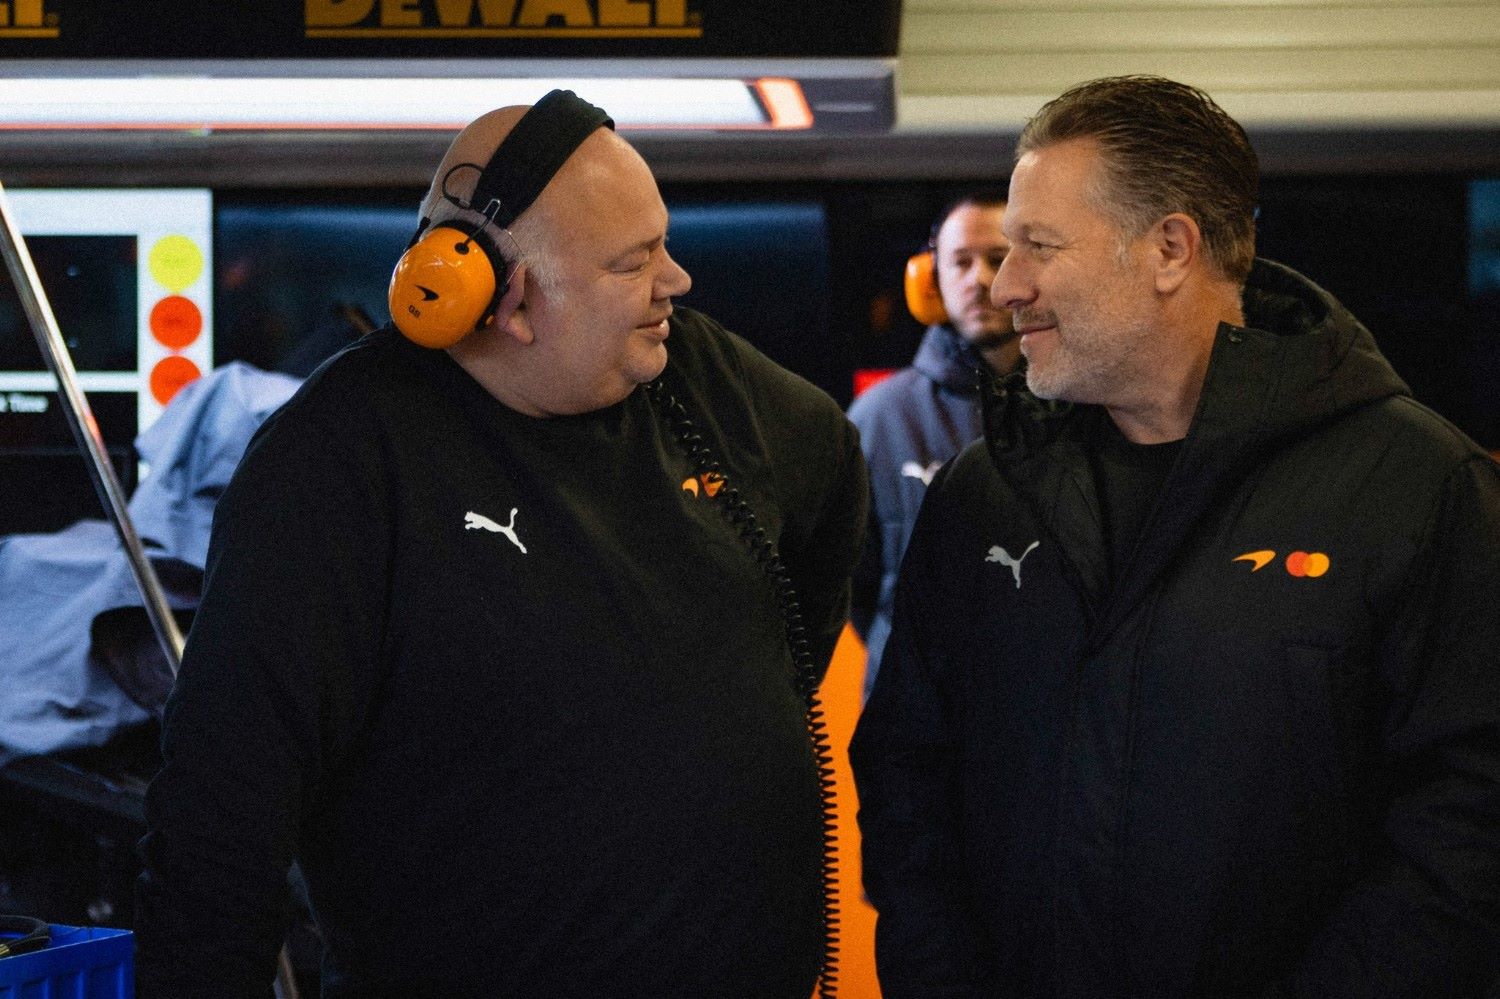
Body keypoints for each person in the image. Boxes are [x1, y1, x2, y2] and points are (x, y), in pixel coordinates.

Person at [135, 90, 868, 997]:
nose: (675, 281)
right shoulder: (338, 461)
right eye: (635, 261)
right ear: (503, 297)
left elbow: (832, 477)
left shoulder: (703, 378)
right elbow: (221, 807)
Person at [850, 75, 1500, 998]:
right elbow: (910, 775)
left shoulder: (1414, 487)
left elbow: (1468, 823)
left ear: (1168, 248)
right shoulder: (983, 495)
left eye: (1038, 245)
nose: (1006, 286)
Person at [848, 192, 1020, 694]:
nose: (979, 279)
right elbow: (851, 586)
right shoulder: (881, 417)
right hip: (912, 713)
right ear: (931, 279)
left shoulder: (1083, 405)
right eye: (961, 262)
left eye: (997, 259)